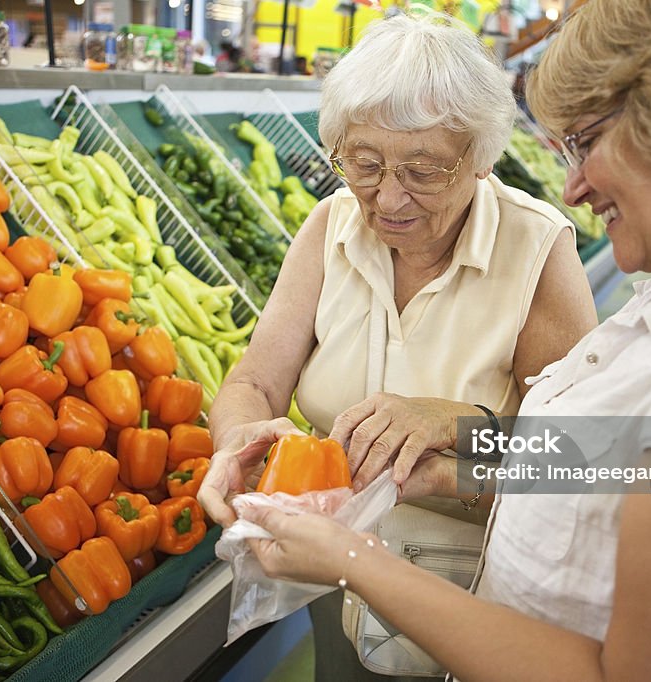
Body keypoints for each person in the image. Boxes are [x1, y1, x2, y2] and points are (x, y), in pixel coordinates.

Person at [234, 1, 651, 680]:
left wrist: (352, 561)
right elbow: (621, 467)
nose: (574, 184)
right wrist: (445, 469)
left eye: (587, 142)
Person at [197, 9, 597, 681]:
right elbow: (255, 383)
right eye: (363, 163)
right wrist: (236, 438)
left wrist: (452, 425)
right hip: (329, 579)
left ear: (481, 158)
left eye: (424, 170)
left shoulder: (536, 249)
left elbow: (577, 462)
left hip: (471, 602)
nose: (386, 196)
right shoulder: (330, 226)